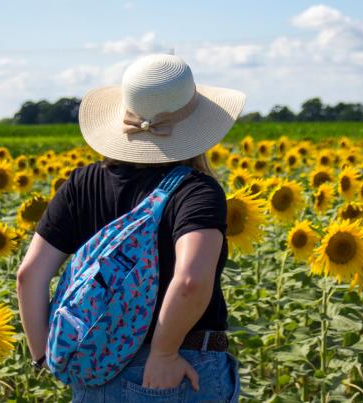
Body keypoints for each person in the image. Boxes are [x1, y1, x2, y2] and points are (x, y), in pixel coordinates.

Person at [16, 53, 246, 402]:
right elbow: (190, 280)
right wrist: (164, 353)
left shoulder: (83, 183)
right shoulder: (195, 190)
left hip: (93, 367)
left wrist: (44, 356)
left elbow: (30, 275)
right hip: (173, 370)